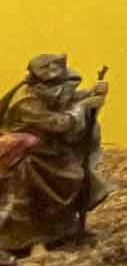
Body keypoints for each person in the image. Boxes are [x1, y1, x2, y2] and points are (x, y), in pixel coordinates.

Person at [0, 55, 110, 250]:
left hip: (46, 150)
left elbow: (65, 102)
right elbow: (58, 124)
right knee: (52, 184)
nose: (63, 90)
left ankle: (58, 230)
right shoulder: (27, 102)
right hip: (23, 155)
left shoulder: (44, 94)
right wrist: (82, 107)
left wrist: (92, 93)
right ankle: (22, 240)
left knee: (73, 176)